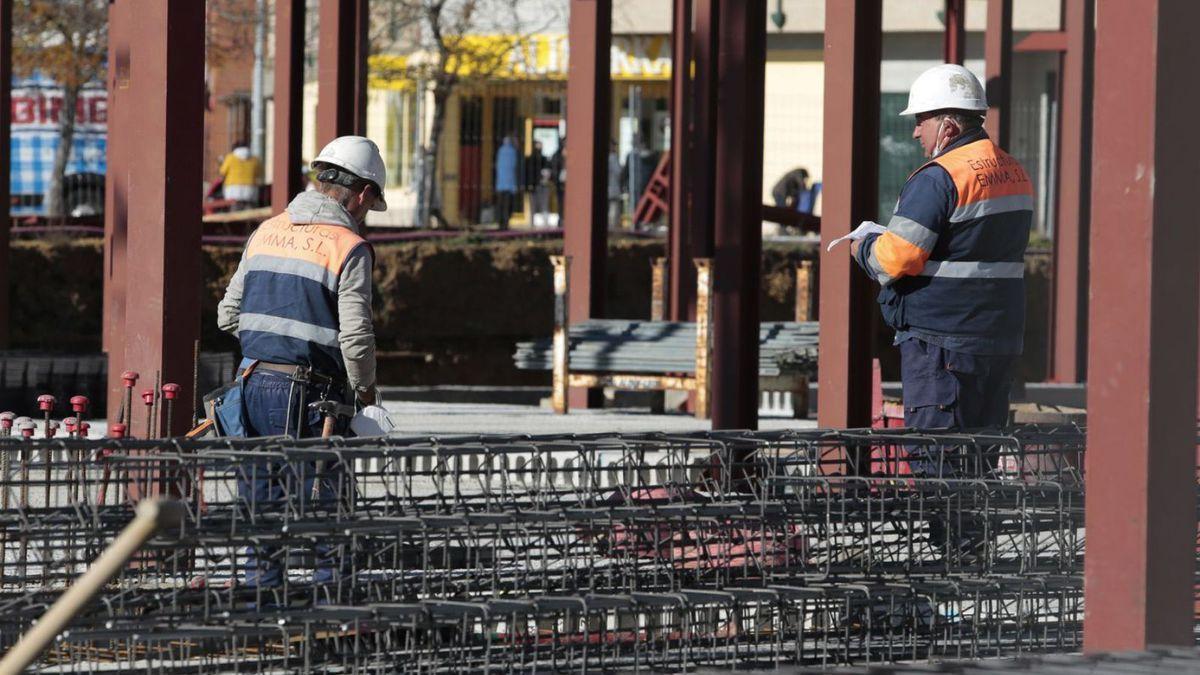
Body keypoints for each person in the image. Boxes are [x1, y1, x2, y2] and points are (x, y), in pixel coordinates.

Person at [849, 64, 1032, 553]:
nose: (915, 130)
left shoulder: (939, 177)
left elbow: (897, 257)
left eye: (922, 120)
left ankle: (955, 568)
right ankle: (975, 562)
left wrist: (862, 246)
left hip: (941, 342)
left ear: (948, 125)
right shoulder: (1011, 169)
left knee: (939, 458)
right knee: (979, 457)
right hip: (995, 339)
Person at [217, 135, 384, 592]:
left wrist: (272, 344)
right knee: (329, 509)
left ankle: (261, 606)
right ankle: (332, 612)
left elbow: (227, 315)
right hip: (312, 394)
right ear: (364, 193)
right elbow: (356, 337)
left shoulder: (266, 230)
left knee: (262, 506)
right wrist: (366, 396)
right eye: (369, 205)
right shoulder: (349, 246)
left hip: (250, 385)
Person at [219, 142, 263, 209]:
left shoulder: (230, 158)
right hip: (250, 187)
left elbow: (222, 172)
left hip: (233, 188)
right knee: (249, 209)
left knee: (235, 208)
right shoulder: (255, 159)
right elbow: (260, 173)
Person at [494, 134, 518, 230]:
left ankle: (500, 223)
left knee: (501, 205)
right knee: (508, 206)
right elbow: (514, 168)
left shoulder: (500, 151)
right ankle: (505, 222)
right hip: (510, 184)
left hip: (500, 184)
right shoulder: (513, 152)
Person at [525, 140, 551, 227]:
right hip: (534, 186)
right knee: (534, 206)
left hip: (542, 185)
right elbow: (527, 173)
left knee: (543, 205)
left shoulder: (543, 159)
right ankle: (532, 223)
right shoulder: (530, 160)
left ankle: (544, 223)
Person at [607, 140, 623, 229]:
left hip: (612, 187)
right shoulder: (613, 157)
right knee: (613, 209)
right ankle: (612, 227)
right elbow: (618, 172)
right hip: (612, 187)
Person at [551, 138, 566, 225]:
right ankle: (561, 220)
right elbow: (554, 168)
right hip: (560, 182)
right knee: (561, 202)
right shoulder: (557, 155)